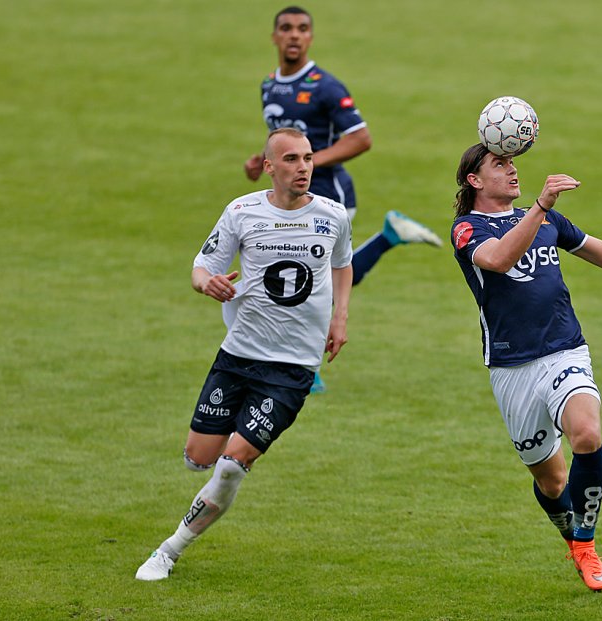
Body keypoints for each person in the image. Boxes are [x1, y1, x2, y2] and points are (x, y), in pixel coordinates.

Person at [136, 128, 353, 581]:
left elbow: (342, 262)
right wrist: (207, 284)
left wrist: (340, 317)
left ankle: (168, 551)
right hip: (236, 356)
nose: (303, 168)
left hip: (292, 369)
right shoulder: (241, 211)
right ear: (269, 167)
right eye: (291, 159)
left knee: (233, 466)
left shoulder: (332, 215)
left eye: (308, 158)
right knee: (199, 458)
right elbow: (203, 266)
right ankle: (224, 459)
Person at [449, 144, 602, 591]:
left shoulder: (545, 219)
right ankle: (571, 537)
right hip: (512, 368)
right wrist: (542, 206)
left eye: (512, 162)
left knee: (586, 434)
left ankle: (586, 545)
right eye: (501, 165)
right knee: (552, 482)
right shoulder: (466, 229)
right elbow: (499, 260)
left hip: (565, 351)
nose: (513, 171)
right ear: (474, 180)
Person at [240, 5, 441, 392]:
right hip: (294, 196)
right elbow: (283, 140)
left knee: (317, 282)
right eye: (286, 28)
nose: (294, 35)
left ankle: (302, 362)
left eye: (302, 28)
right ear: (274, 37)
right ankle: (388, 236)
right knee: (308, 277)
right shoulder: (269, 85)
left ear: (311, 37)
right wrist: (262, 161)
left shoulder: (325, 86)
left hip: (328, 195)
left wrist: (310, 161)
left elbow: (361, 138)